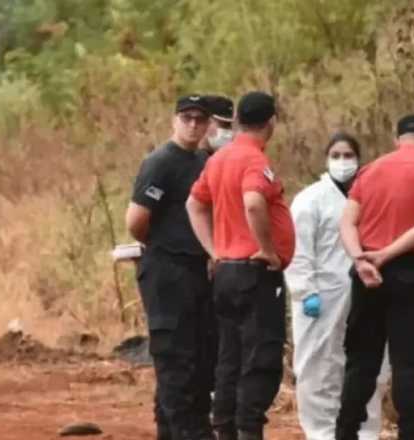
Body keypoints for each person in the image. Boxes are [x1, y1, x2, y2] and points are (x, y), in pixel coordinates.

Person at [335, 115, 414, 440]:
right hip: (409, 276)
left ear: (396, 138)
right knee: (408, 367)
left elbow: (346, 223)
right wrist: (386, 255)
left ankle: (344, 433)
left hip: (365, 274)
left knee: (360, 362)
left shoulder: (370, 170)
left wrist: (361, 259)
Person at [186, 91, 295, 440]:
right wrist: (267, 249)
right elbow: (253, 203)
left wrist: (214, 250)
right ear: (272, 122)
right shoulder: (252, 159)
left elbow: (194, 204)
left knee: (229, 359)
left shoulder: (218, 159)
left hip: (227, 273)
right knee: (259, 361)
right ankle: (249, 431)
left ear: (236, 122)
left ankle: (226, 429)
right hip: (255, 273)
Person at [284, 133, 390, 440]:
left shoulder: (370, 197)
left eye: (348, 155)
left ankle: (365, 430)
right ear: (326, 158)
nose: (343, 162)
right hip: (322, 296)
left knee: (369, 366)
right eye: (336, 155)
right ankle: (321, 432)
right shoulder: (310, 199)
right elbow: (299, 250)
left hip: (364, 292)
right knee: (318, 367)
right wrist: (305, 291)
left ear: (359, 159)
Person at [125, 95, 218, 440]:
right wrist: (165, 244)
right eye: (187, 117)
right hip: (167, 270)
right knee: (176, 360)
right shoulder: (161, 162)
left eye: (199, 119)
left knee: (197, 358)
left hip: (197, 271)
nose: (193, 124)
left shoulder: (203, 160)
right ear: (174, 120)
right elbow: (136, 221)